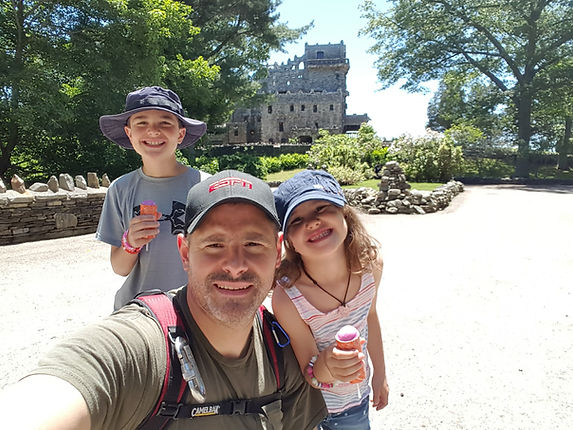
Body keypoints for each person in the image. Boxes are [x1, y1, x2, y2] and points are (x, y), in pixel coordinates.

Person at [0, 170, 327, 430]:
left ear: (277, 251)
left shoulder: (283, 351)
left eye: (254, 244)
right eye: (214, 245)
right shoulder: (140, 348)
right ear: (184, 253)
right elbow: (53, 395)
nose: (235, 264)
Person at [272, 169, 389, 429]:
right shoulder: (288, 297)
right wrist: (328, 366)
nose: (312, 222)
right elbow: (310, 372)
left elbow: (370, 316)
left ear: (344, 213)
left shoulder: (371, 266)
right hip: (310, 408)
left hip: (355, 404)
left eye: (321, 208)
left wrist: (380, 374)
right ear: (288, 240)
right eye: (297, 220)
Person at [97, 85, 211, 309]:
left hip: (196, 309)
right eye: (141, 123)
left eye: (165, 123)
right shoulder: (119, 190)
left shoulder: (206, 187)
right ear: (129, 133)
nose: (153, 131)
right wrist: (130, 243)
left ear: (180, 134)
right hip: (138, 310)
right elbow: (120, 268)